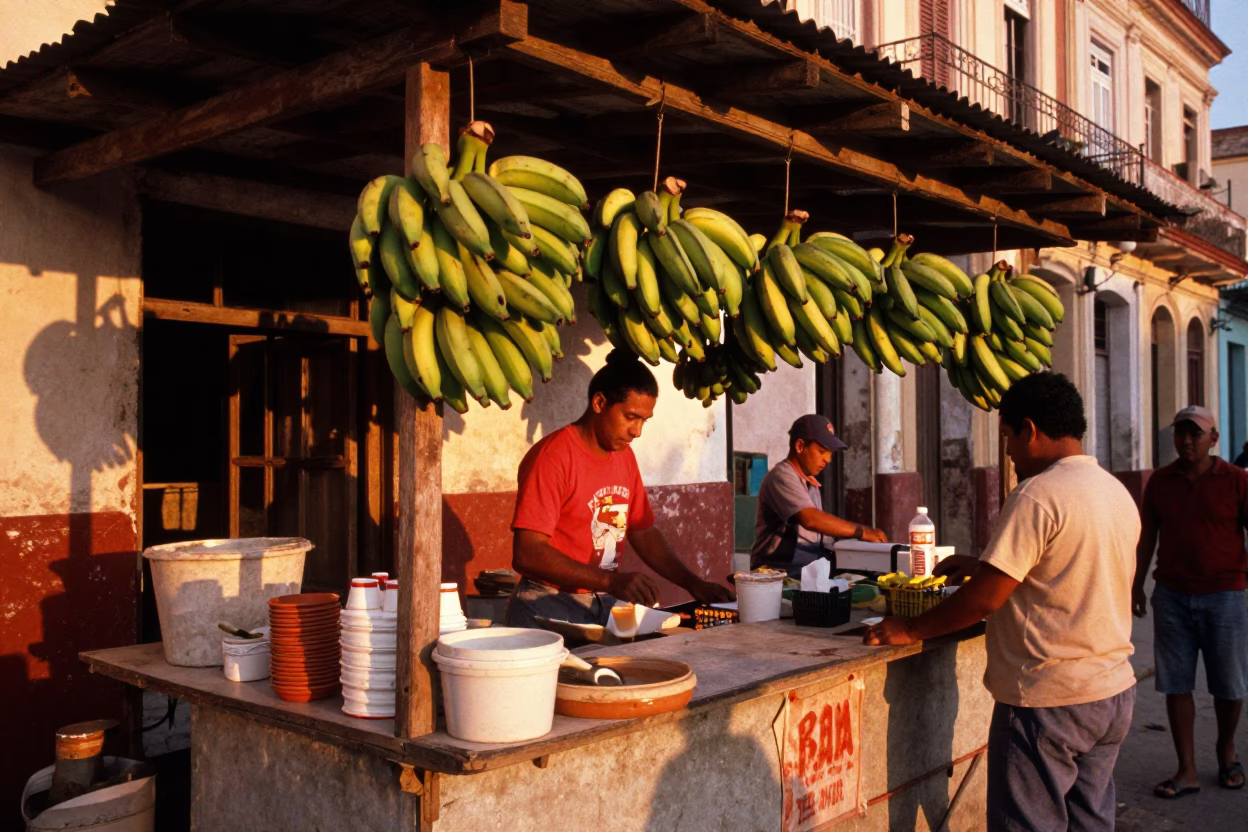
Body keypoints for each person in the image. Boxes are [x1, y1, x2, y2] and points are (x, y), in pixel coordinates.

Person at [863, 372, 1138, 831]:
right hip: (1110, 694)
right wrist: (981, 561)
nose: (1008, 453)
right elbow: (1064, 567)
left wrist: (907, 629)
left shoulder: (1037, 494)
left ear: (1029, 430)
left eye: (1009, 437)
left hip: (1048, 700)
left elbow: (984, 601)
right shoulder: (1113, 491)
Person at [506, 349, 733, 628]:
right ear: (600, 403)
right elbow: (528, 552)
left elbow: (642, 531)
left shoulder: (624, 456)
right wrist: (611, 581)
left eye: (643, 421)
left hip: (601, 602)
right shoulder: (552, 458)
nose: (637, 431)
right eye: (630, 417)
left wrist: (692, 582)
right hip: (545, 605)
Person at [1132, 405, 1248, 797]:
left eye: (1195, 434)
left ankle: (1226, 749)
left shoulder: (1235, 480)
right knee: (1176, 684)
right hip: (1173, 595)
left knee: (1230, 685)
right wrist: (1137, 583)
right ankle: (1187, 770)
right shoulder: (1161, 483)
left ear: (1213, 439)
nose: (1186, 440)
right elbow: (1148, 535)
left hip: (1226, 595)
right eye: (1180, 433)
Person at [751, 414, 887, 577]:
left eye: (830, 453)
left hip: (810, 570)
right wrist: (861, 531)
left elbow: (819, 539)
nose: (828, 459)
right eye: (822, 451)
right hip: (780, 574)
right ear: (800, 446)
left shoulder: (810, 482)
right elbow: (810, 519)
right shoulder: (782, 476)